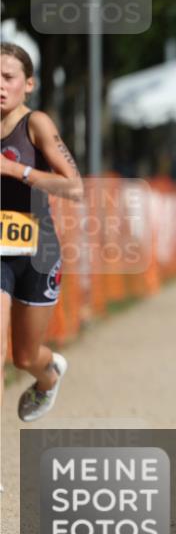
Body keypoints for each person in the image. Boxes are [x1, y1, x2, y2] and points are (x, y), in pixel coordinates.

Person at [1, 42, 83, 428]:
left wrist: (16, 171)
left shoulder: (36, 124)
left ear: (28, 84)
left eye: (8, 77)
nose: (0, 85)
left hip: (38, 251)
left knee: (24, 356)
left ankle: (47, 373)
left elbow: (75, 187)